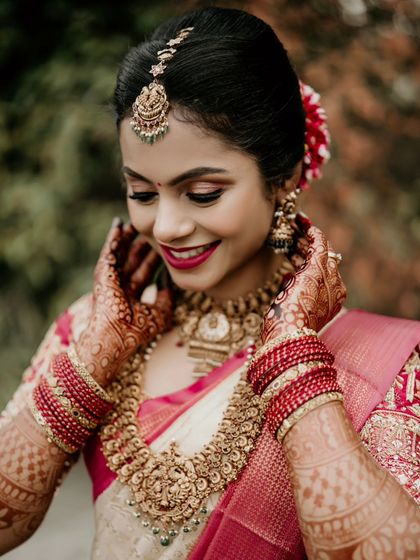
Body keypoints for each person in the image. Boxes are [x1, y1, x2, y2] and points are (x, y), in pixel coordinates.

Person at [0, 6, 419, 559]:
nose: (166, 227)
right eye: (143, 194)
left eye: (202, 194)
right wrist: (89, 365)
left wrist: (295, 370)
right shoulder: (96, 332)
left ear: (285, 176)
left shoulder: (386, 365)